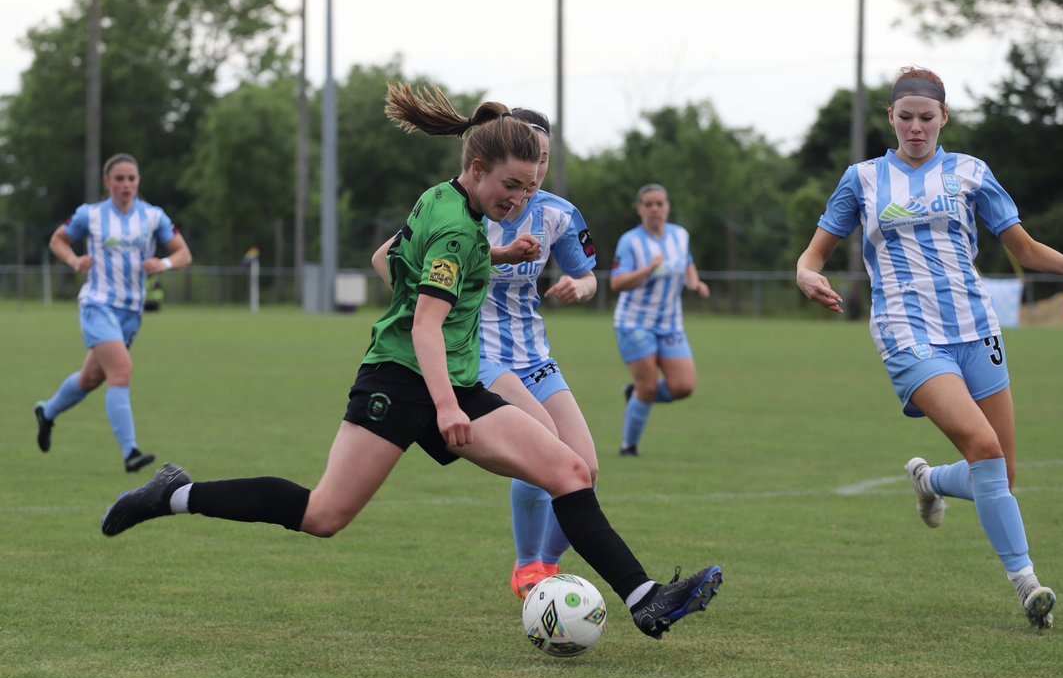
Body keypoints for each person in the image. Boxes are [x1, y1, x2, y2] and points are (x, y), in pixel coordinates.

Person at [103, 84, 722, 640]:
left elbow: (391, 262)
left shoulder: (447, 202)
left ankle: (646, 598)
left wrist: (498, 260)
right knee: (323, 514)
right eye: (511, 187)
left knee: (569, 470)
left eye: (531, 189)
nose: (520, 200)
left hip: (452, 377)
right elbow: (426, 324)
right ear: (478, 169)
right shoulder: (458, 228)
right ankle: (174, 495)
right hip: (400, 383)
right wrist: (449, 406)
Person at [795, 66, 1063, 629]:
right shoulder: (862, 179)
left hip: (977, 330)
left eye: (927, 117)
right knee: (984, 450)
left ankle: (930, 480)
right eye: (906, 117)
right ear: (891, 118)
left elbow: (1024, 247)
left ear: (944, 119)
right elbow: (815, 252)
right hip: (907, 333)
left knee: (1002, 474)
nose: (916, 127)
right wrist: (805, 273)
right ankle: (1028, 585)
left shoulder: (971, 173)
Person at [476, 108, 600, 598]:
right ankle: (527, 567)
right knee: (541, 444)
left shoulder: (559, 214)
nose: (537, 169)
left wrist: (579, 287)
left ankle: (546, 568)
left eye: (545, 158)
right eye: (530, 157)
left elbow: (589, 276)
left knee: (586, 469)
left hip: (535, 354)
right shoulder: (471, 205)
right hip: (479, 351)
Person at [34, 153, 193, 472]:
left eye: (131, 179)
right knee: (121, 371)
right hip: (97, 304)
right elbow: (58, 240)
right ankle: (130, 451)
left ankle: (47, 412)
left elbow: (183, 253)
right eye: (119, 179)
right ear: (107, 182)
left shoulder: (152, 217)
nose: (125, 185)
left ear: (138, 182)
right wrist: (74, 261)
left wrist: (162, 263)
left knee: (91, 378)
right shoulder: (90, 215)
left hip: (131, 313)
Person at [610, 184, 709, 457]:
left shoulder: (680, 235)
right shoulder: (630, 241)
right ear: (640, 209)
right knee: (649, 386)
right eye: (649, 204)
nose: (655, 209)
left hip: (671, 324)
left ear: (667, 206)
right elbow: (617, 283)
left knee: (683, 387)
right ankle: (628, 447)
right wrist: (648, 269)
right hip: (635, 324)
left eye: (660, 203)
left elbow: (687, 261)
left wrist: (694, 283)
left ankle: (637, 395)